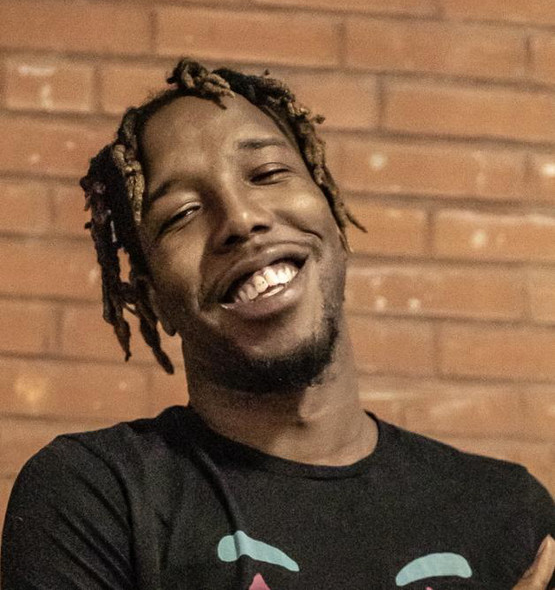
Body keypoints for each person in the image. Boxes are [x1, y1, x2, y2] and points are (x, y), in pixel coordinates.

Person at [1, 59, 554, 590]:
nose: (241, 219)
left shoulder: (511, 513)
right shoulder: (97, 497)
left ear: (330, 213)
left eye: (267, 173)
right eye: (183, 213)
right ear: (153, 299)